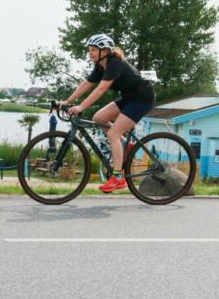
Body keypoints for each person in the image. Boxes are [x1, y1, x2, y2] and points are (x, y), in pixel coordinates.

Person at [61, 33, 155, 193]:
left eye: (93, 50)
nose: (90, 53)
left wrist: (81, 107)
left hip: (142, 99)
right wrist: (68, 101)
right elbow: (87, 84)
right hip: (128, 98)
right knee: (98, 118)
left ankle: (118, 177)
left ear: (104, 51)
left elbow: (101, 89)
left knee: (113, 134)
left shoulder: (114, 64)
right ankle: (127, 146)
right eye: (89, 49)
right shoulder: (101, 66)